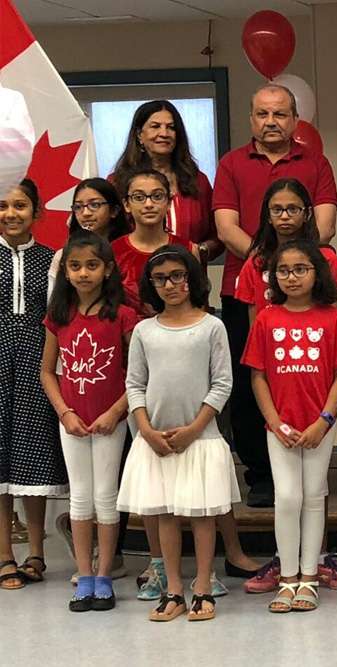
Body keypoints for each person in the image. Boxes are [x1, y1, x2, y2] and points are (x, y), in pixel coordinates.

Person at [215, 82, 337, 508]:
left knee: (308, 374)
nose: (271, 122)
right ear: (252, 119)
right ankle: (260, 473)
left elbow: (324, 226)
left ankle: (310, 463)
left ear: (294, 119)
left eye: (280, 114)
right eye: (263, 114)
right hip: (245, 286)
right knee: (252, 380)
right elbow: (226, 227)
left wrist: (291, 264)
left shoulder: (316, 162)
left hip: (307, 290)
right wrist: (265, 260)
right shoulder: (231, 164)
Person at [116, 245, 240, 622]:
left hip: (199, 439)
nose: (170, 284)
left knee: (202, 515)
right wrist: (147, 430)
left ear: (191, 279)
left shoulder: (211, 326)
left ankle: (202, 585)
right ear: (150, 285)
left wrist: (194, 428)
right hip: (156, 441)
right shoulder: (143, 330)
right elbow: (134, 384)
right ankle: (173, 589)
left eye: (177, 276)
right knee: (165, 513)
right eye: (160, 278)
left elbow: (222, 384)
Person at [243, 239, 337, 614]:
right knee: (287, 497)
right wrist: (274, 422)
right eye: (283, 271)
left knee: (312, 495)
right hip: (280, 427)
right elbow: (258, 376)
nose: (291, 277)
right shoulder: (266, 318)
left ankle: (308, 577)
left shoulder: (333, 318)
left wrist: (324, 420)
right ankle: (287, 577)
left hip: (319, 426)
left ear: (316, 273)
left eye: (300, 269)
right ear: (273, 277)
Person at [40, 232, 137, 611]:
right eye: (75, 266)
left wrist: (116, 411)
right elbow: (48, 372)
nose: (83, 273)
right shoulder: (59, 316)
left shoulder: (123, 316)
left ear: (108, 269)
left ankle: (105, 574)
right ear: (64, 270)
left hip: (109, 421)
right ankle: (84, 574)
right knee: (80, 498)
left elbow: (138, 374)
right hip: (74, 422)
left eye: (92, 265)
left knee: (106, 498)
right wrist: (64, 411)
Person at [0, 179, 66, 591]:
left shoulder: (52, 260)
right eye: (2, 206)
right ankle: (5, 553)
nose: (11, 213)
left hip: (36, 363)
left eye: (20, 205)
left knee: (33, 454)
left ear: (36, 211)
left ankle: (37, 551)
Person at [109, 100, 220, 264]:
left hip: (188, 281)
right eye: (155, 126)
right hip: (131, 281)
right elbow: (105, 235)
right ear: (139, 135)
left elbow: (218, 235)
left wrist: (199, 251)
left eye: (171, 127)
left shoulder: (197, 181)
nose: (164, 133)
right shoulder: (117, 182)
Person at [236, 178, 337, 319]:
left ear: (307, 214)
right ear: (268, 216)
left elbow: (335, 320)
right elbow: (255, 330)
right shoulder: (255, 264)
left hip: (316, 338)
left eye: (293, 209)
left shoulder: (326, 259)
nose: (284, 216)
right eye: (277, 210)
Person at [111, 170, 197, 317]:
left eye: (157, 196)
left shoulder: (188, 249)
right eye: (139, 197)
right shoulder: (113, 251)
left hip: (180, 332)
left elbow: (198, 302)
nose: (149, 204)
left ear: (169, 203)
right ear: (126, 204)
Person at [48, 178, 131, 288]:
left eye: (95, 205)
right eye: (78, 207)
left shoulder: (128, 252)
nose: (86, 213)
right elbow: (55, 299)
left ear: (114, 210)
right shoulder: (63, 256)